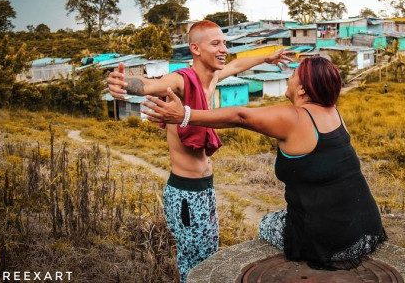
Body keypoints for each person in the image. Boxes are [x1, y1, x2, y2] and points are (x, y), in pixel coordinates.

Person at [141, 57, 387, 270]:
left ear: (302, 90)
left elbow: (240, 116)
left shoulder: (295, 117)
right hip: (366, 230)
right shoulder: (334, 113)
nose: (289, 79)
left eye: (293, 75)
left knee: (267, 224)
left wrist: (184, 115)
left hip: (330, 240)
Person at [106, 20, 292, 282]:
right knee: (197, 265)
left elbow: (237, 65)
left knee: (207, 255)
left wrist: (268, 57)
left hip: (203, 187)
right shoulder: (182, 80)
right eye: (215, 43)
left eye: (224, 43)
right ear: (195, 48)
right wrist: (123, 83)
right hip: (186, 193)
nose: (223, 49)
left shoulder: (212, 78)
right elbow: (149, 85)